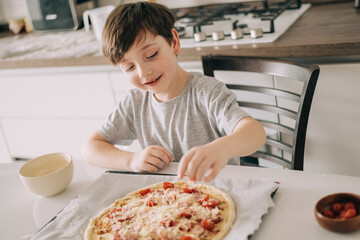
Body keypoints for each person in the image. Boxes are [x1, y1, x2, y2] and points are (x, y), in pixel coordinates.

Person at [81, 1, 266, 182]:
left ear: (174, 42)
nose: (143, 72)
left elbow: (255, 133)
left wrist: (221, 149)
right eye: (129, 67)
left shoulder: (207, 93)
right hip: (167, 203)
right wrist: (132, 160)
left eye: (151, 55)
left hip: (219, 194)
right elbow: (90, 148)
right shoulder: (134, 103)